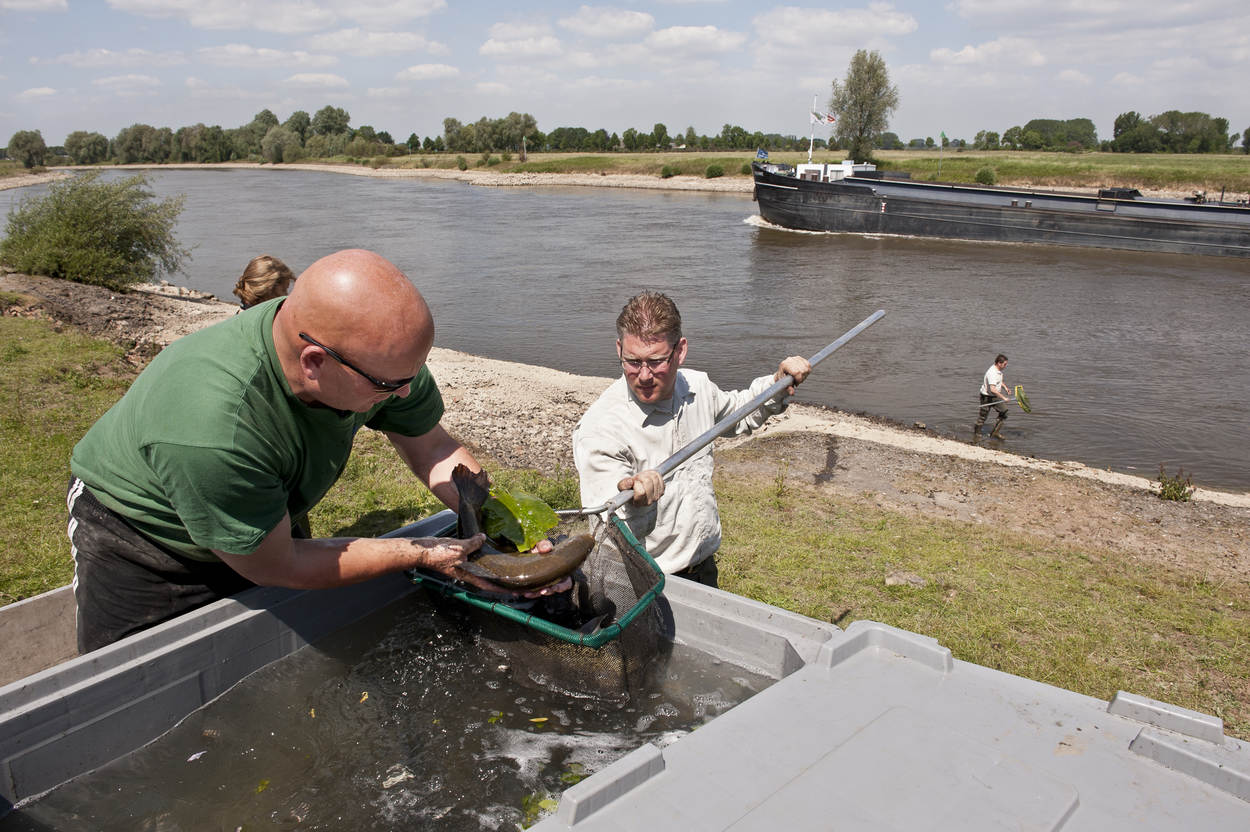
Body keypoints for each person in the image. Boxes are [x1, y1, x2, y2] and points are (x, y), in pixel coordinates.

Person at [67, 248, 554, 653]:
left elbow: (432, 447)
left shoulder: (382, 359)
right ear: (315, 362)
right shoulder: (215, 427)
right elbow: (278, 564)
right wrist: (422, 553)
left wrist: (502, 527)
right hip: (141, 537)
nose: (405, 393)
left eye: (411, 375)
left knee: (278, 655)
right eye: (391, 385)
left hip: (260, 508)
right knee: (145, 685)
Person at [572, 291, 811, 587]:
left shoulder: (696, 387)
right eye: (632, 361)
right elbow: (608, 524)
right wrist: (635, 498)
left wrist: (777, 383)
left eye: (656, 361)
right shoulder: (601, 428)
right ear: (619, 348)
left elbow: (740, 413)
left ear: (680, 351)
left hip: (701, 564)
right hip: (640, 580)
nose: (644, 375)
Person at [974, 353, 1011, 440]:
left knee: (1005, 412)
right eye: (1005, 364)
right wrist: (1004, 398)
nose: (1006, 366)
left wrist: (1005, 387)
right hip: (986, 397)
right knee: (983, 417)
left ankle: (995, 433)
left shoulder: (998, 371)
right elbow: (993, 389)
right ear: (999, 363)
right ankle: (976, 434)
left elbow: (998, 381)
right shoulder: (992, 373)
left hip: (994, 396)